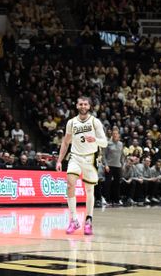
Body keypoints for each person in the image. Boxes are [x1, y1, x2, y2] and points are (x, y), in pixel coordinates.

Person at [55, 96, 107, 235]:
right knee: (70, 185)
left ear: (89, 106)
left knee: (89, 191)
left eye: (85, 104)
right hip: (75, 158)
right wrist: (59, 160)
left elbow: (104, 143)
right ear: (77, 106)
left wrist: (94, 139)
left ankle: (88, 220)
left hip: (90, 159)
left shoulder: (95, 122)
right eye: (80, 104)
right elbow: (66, 142)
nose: (83, 106)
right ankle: (74, 220)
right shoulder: (71, 122)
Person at [103, 128, 124, 206]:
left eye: (116, 133)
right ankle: (107, 199)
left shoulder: (121, 144)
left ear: (118, 135)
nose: (115, 135)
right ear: (112, 135)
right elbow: (104, 156)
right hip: (109, 166)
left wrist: (122, 164)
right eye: (114, 133)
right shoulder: (108, 143)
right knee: (107, 183)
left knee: (117, 184)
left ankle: (116, 200)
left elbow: (121, 155)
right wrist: (106, 165)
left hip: (118, 166)